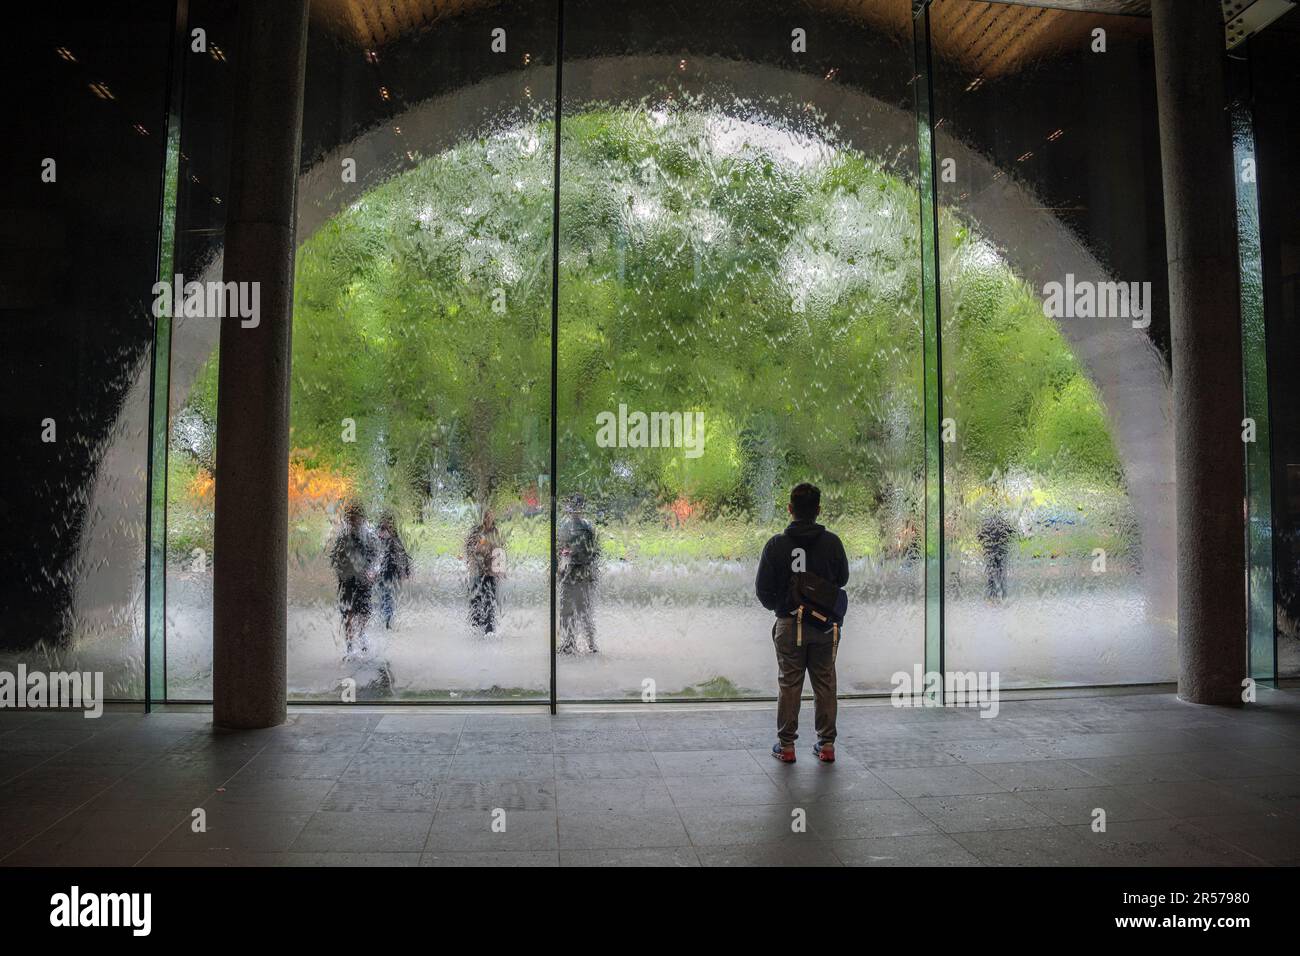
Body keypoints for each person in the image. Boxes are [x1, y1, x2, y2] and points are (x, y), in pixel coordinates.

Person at [755, 483, 849, 764]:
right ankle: (827, 745)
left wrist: (783, 607)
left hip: (790, 624)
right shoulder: (832, 542)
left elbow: (763, 589)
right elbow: (842, 579)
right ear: (818, 511)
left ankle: (786, 747)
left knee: (789, 683)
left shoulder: (776, 545)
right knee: (825, 682)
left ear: (790, 510)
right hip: (824, 626)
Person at [329, 500, 380, 658]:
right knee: (348, 614)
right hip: (347, 581)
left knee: (364, 612)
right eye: (350, 517)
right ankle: (350, 645)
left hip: (364, 580)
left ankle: (362, 633)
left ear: (362, 518)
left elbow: (378, 557)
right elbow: (334, 558)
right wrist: (340, 569)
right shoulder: (343, 537)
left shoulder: (370, 536)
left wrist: (373, 571)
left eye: (355, 517)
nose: (352, 520)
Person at [557, 494, 600, 654]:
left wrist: (574, 553)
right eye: (572, 507)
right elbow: (560, 549)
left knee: (583, 610)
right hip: (569, 574)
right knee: (567, 610)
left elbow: (593, 552)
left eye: (576, 507)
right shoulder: (564, 526)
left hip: (581, 574)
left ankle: (590, 643)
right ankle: (569, 643)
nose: (574, 511)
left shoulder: (587, 528)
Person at [465, 508, 504, 635]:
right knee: (476, 596)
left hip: (491, 570)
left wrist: (500, 569)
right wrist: (478, 548)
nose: (489, 519)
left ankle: (489, 625)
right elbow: (470, 548)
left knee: (489, 597)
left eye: (491, 516)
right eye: (487, 516)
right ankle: (475, 622)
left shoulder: (496, 531)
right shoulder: (477, 531)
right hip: (478, 569)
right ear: (484, 517)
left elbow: (500, 549)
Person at [376, 511, 412, 629]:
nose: (386, 524)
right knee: (383, 595)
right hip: (381, 572)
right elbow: (374, 553)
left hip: (391, 572)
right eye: (385, 521)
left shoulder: (395, 538)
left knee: (388, 595)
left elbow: (401, 555)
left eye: (389, 522)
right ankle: (385, 618)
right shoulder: (378, 536)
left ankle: (388, 618)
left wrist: (405, 571)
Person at [976, 511, 1016, 602]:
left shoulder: (987, 524)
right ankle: (1001, 596)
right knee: (1000, 574)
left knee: (992, 575)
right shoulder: (1004, 524)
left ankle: (992, 596)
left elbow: (980, 536)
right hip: (1000, 554)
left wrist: (987, 543)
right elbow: (1011, 534)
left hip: (991, 553)